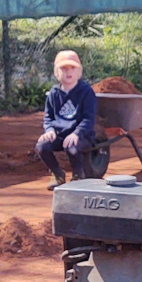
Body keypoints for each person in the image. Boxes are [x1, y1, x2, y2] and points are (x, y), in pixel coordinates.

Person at [36, 50, 97, 190]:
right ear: (57, 72)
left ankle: (78, 175)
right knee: (42, 146)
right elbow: (48, 117)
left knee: (72, 147)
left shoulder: (86, 91)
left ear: (79, 72)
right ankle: (58, 174)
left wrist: (77, 133)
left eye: (72, 68)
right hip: (60, 135)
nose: (68, 72)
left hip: (82, 136)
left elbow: (89, 118)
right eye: (63, 68)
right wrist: (50, 130)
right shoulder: (53, 93)